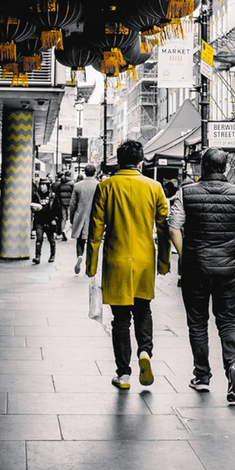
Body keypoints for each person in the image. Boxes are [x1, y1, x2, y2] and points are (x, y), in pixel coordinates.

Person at [168, 147, 235, 402]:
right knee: (227, 319)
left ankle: (202, 376)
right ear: (225, 167)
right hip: (228, 268)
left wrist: (185, 256)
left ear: (203, 166)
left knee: (197, 322)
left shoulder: (186, 192)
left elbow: (173, 228)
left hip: (196, 267)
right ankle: (234, 364)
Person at [86, 140, 170, 391]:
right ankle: (145, 352)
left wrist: (91, 265)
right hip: (145, 259)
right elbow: (163, 228)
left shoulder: (106, 187)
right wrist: (164, 262)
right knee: (143, 309)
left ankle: (123, 374)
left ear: (118, 161)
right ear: (141, 162)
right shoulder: (154, 187)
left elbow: (95, 229)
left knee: (120, 319)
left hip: (117, 259)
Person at [70, 164, 100, 274]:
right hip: (94, 216)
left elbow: (73, 204)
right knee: (92, 241)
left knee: (80, 239)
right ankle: (89, 265)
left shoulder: (77, 186)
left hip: (80, 215)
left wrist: (72, 218)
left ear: (85, 172)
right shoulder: (99, 185)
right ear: (94, 172)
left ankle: (80, 255)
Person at [31, 178, 62, 264]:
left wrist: (55, 219)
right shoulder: (36, 195)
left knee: (51, 239)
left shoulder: (52, 196)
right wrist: (34, 208)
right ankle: (37, 256)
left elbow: (57, 208)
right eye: (41, 184)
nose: (42, 186)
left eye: (44, 185)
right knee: (39, 238)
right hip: (39, 220)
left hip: (49, 220)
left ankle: (52, 255)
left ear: (47, 186)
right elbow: (32, 205)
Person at [54, 170, 75, 238]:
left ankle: (62, 231)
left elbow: (57, 193)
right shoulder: (72, 183)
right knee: (69, 218)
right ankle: (65, 230)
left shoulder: (61, 183)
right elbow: (74, 194)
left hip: (62, 203)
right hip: (69, 203)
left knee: (63, 218)